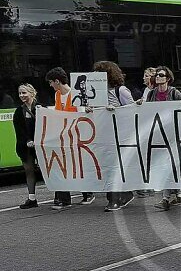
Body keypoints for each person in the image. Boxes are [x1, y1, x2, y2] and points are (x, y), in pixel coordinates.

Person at [88, 61, 136, 211]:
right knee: (107, 166)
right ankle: (123, 193)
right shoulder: (94, 93)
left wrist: (116, 110)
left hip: (119, 134)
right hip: (103, 133)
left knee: (114, 166)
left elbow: (133, 109)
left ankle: (114, 198)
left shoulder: (120, 91)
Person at [140, 66, 181, 211]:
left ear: (168, 78)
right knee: (166, 165)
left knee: (171, 165)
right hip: (158, 134)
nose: (158, 77)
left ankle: (166, 198)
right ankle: (178, 194)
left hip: (173, 134)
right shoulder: (151, 94)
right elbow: (147, 112)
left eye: (161, 75)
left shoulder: (174, 93)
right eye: (157, 75)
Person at [47, 67, 94, 209]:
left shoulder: (74, 94)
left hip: (76, 135)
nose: (50, 85)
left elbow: (81, 112)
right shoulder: (57, 95)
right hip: (63, 135)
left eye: (51, 82)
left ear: (57, 81)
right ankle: (64, 198)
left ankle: (88, 193)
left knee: (78, 164)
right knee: (63, 165)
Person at [13, 84, 40, 209]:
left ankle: (59, 197)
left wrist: (37, 140)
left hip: (40, 144)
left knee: (47, 171)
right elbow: (19, 130)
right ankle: (32, 198)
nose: (21, 96)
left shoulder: (40, 108)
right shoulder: (19, 111)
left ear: (31, 93)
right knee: (29, 171)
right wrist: (28, 141)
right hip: (25, 146)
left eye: (24, 93)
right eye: (20, 93)